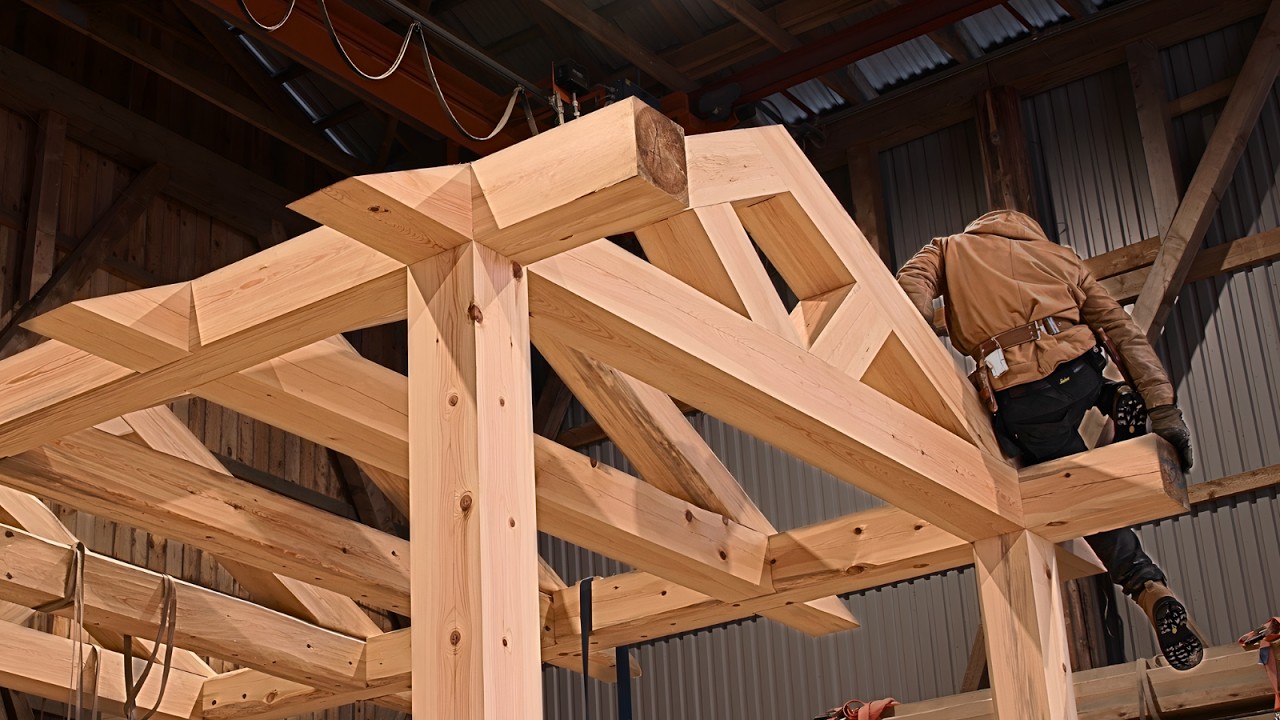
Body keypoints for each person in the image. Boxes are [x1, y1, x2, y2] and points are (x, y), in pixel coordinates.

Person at [895, 209, 1204, 671]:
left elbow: (912, 281)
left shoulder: (947, 248)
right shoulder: (1060, 256)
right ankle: (1114, 399)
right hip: (1080, 370)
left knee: (1080, 498)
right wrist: (1163, 407)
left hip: (1024, 399)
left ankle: (1146, 584)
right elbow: (1122, 331)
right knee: (1087, 381)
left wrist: (917, 331)